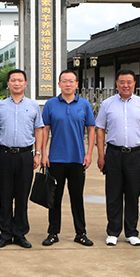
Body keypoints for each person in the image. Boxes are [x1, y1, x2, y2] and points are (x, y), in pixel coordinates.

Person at [96, 68, 140, 246]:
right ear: (116, 83)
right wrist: (101, 155)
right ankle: (113, 231)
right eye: (122, 82)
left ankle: (131, 232)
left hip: (135, 154)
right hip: (113, 153)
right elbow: (100, 129)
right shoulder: (107, 104)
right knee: (113, 193)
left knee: (133, 194)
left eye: (129, 82)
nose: (125, 85)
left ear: (134, 83)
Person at [41, 70, 96, 247]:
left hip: (77, 159)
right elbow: (45, 130)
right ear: (59, 84)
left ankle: (81, 233)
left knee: (77, 197)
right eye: (64, 81)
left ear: (77, 84)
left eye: (71, 81)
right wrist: (43, 153)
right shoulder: (50, 104)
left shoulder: (84, 104)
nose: (68, 84)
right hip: (56, 159)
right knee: (54, 198)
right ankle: (53, 233)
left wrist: (89, 153)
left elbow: (91, 129)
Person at [0, 69, 43, 249]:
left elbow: (39, 130)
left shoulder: (33, 106)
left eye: (20, 80)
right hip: (5, 155)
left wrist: (38, 153)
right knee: (5, 196)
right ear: (8, 84)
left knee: (22, 196)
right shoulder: (0, 106)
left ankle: (20, 233)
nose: (16, 83)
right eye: (13, 80)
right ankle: (5, 234)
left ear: (25, 83)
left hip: (25, 155)